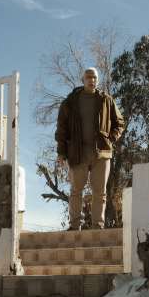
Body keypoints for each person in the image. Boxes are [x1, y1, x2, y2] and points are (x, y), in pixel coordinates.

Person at [55, 67, 125, 230]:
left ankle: (97, 226)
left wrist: (110, 139)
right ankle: (74, 226)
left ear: (97, 80)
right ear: (83, 80)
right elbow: (61, 129)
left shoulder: (106, 100)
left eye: (94, 77)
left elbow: (120, 123)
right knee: (76, 190)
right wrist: (61, 152)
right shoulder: (70, 101)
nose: (91, 80)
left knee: (100, 191)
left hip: (101, 153)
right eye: (88, 77)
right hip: (77, 153)